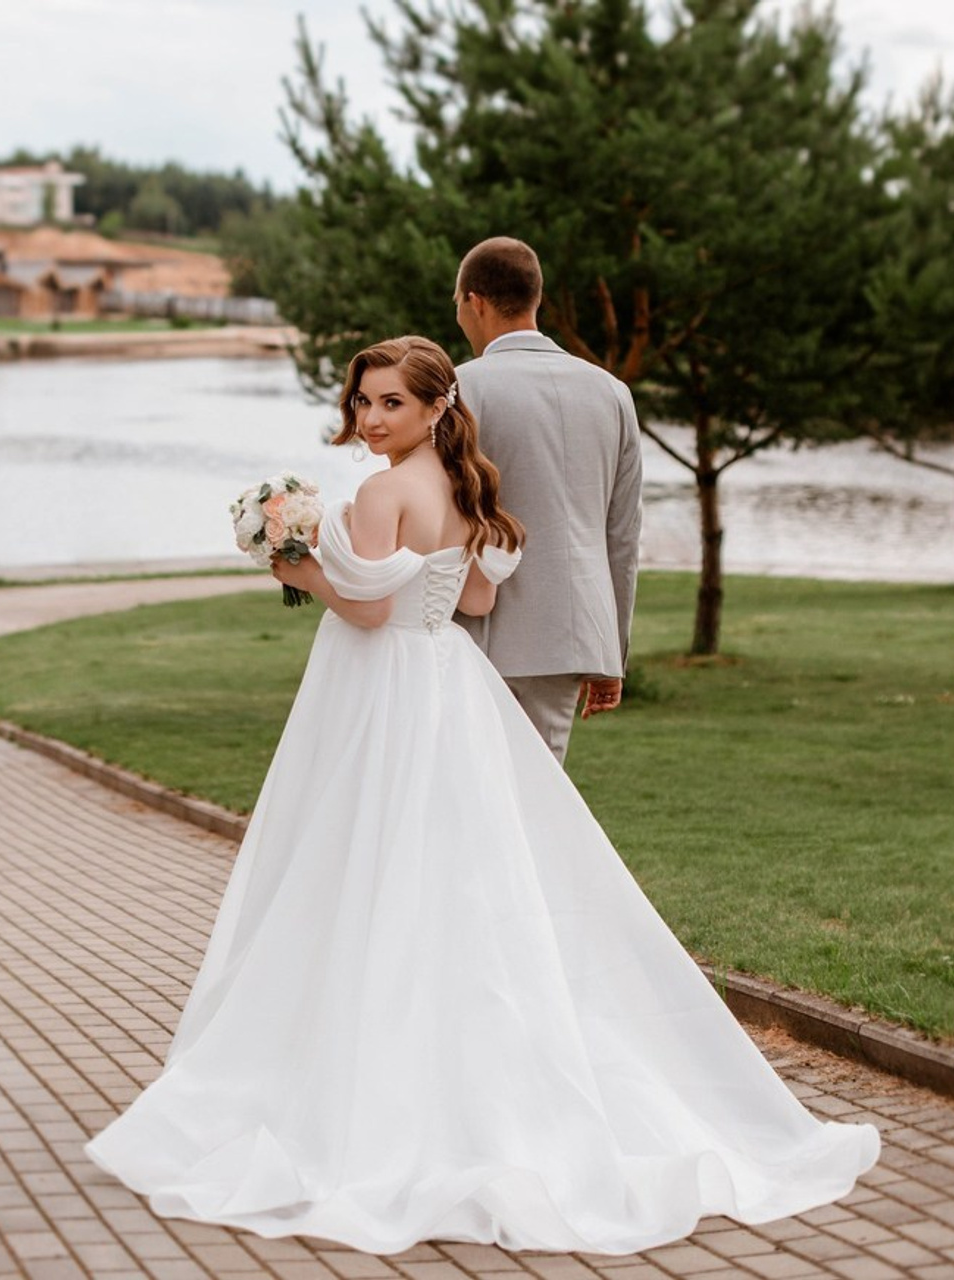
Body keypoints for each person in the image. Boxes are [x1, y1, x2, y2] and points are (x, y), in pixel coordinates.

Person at [83, 335, 878, 1256]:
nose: (371, 418)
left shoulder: (382, 493)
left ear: (432, 408)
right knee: (459, 877)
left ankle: (365, 1080)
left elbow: (372, 609)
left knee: (357, 865)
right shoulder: (467, 488)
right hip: (450, 690)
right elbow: (474, 608)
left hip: (379, 692)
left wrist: (294, 567)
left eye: (388, 403)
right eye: (363, 402)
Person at [454, 236, 644, 764]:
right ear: (534, 299)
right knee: (543, 799)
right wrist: (612, 650)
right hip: (573, 632)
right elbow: (623, 535)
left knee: (475, 794)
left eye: (458, 308)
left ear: (476, 302)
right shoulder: (611, 392)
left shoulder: (460, 389)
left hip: (478, 628)